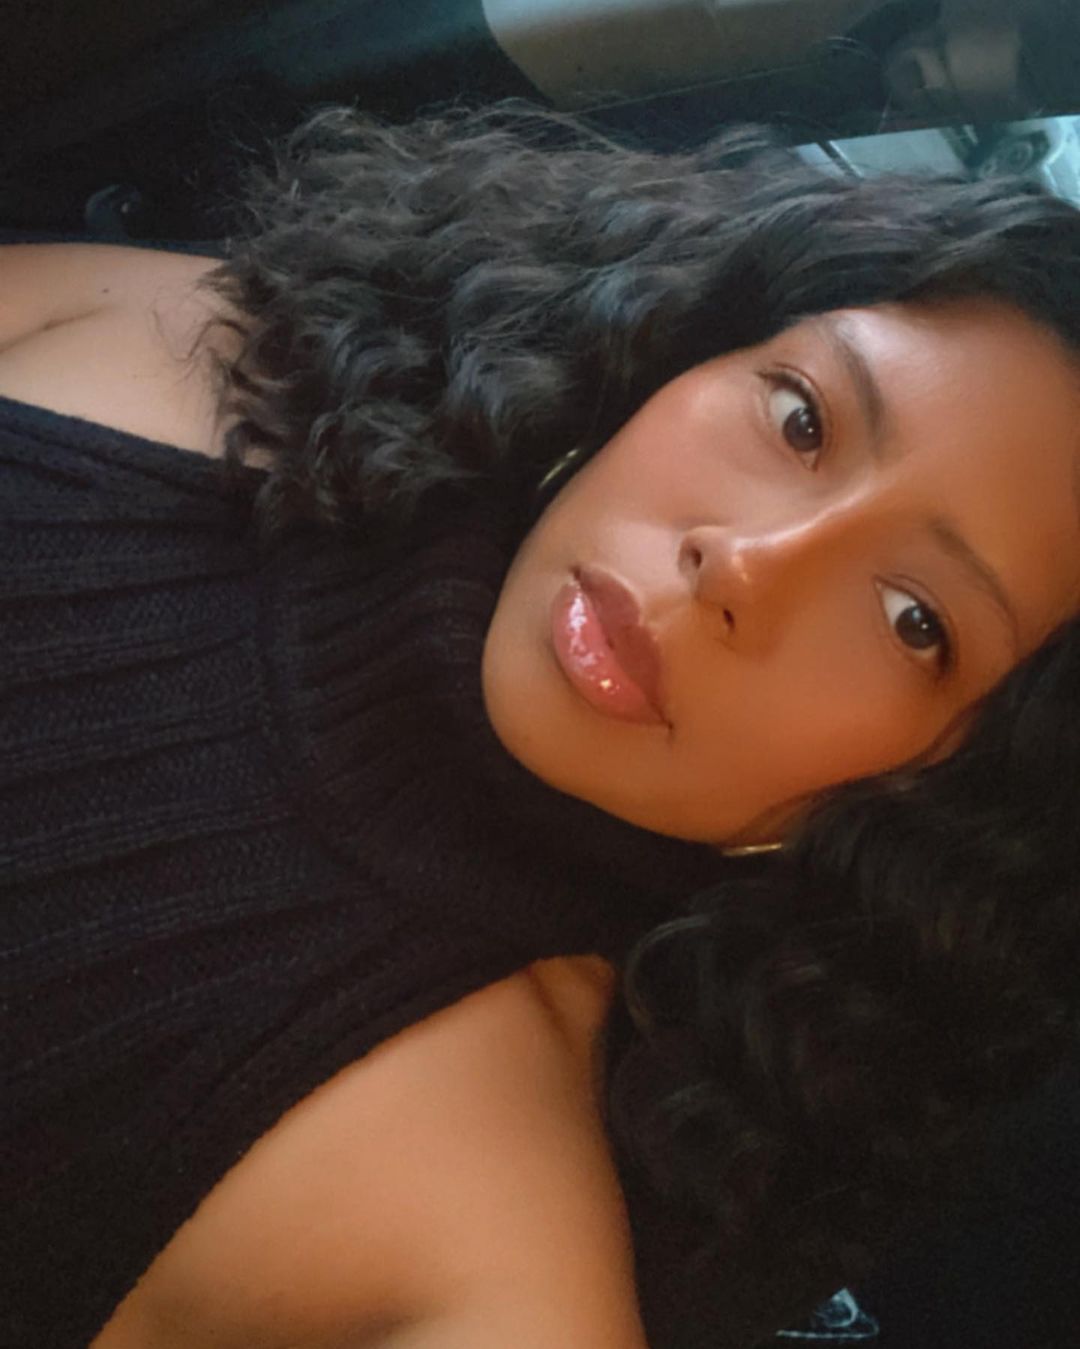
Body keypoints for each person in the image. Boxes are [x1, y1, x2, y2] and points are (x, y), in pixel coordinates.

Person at [3, 102, 1080, 1349]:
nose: (747, 563)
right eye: (800, 419)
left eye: (914, 620)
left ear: (953, 803)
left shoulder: (483, 1258)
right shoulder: (230, 344)